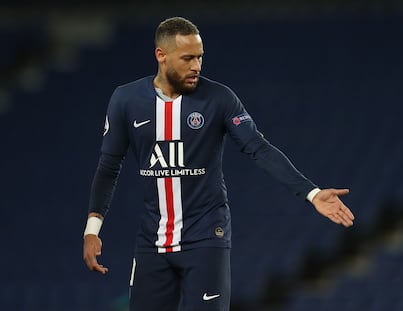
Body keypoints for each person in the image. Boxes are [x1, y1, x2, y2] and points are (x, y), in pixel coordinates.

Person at [83, 16, 355, 311]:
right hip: (152, 241)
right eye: (187, 58)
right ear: (161, 56)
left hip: (206, 237)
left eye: (200, 57)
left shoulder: (219, 98)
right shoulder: (125, 100)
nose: (196, 66)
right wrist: (92, 229)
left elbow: (258, 148)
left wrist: (311, 193)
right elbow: (109, 166)